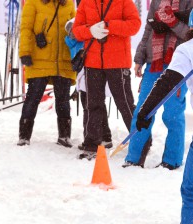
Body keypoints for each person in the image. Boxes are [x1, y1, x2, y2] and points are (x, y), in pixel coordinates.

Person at [135, 10, 193, 224]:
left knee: (191, 191)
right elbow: (169, 80)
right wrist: (146, 111)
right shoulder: (188, 50)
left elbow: (168, 81)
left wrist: (146, 112)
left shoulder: (188, 49)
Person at [124, 0, 193, 169]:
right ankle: (134, 158)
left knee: (173, 114)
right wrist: (139, 59)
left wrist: (172, 22)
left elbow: (189, 33)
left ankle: (172, 161)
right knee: (143, 110)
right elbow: (148, 30)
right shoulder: (157, 1)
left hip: (179, 64)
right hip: (153, 62)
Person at [72, 0, 141, 157]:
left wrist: (109, 26)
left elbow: (134, 25)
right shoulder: (86, 3)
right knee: (93, 103)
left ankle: (141, 140)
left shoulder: (124, 1)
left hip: (117, 63)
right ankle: (91, 144)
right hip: (93, 62)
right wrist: (91, 30)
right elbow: (76, 31)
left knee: (125, 104)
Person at [17, 0, 76, 147]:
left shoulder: (68, 3)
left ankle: (64, 136)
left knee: (63, 100)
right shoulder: (33, 2)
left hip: (63, 59)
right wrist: (25, 51)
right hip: (39, 58)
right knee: (33, 98)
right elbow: (26, 28)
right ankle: (24, 136)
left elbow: (76, 28)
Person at [65, 18, 114, 149]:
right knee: (95, 106)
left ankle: (94, 137)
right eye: (71, 31)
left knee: (91, 107)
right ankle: (102, 136)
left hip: (91, 73)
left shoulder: (80, 40)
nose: (73, 33)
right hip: (86, 74)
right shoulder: (79, 41)